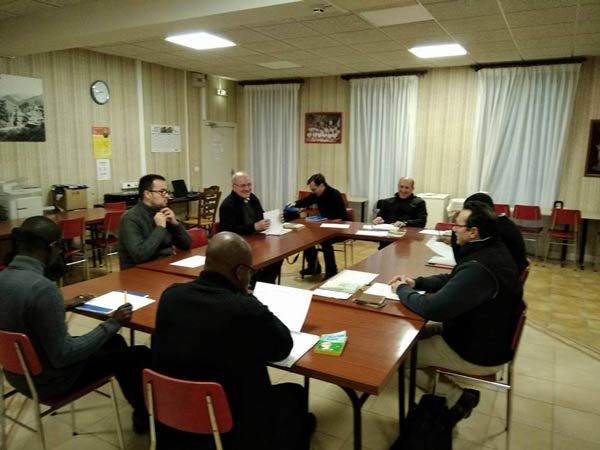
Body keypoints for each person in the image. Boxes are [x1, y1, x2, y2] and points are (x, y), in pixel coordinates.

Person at [152, 231, 315, 450]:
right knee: (295, 395)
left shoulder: (170, 296)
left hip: (176, 417)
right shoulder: (245, 309)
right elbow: (283, 348)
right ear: (240, 272)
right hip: (232, 428)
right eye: (250, 271)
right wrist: (249, 297)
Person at [0, 216, 151, 432]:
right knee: (136, 355)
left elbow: (24, 312)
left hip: (17, 376)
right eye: (60, 247)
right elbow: (64, 355)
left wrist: (64, 305)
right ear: (51, 247)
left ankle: (141, 413)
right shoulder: (43, 289)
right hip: (49, 382)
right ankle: (144, 418)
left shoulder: (5, 278)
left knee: (115, 342)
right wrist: (113, 322)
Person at [389, 202, 524, 424]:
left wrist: (402, 290)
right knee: (409, 337)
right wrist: (417, 282)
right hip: (479, 333)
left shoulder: (480, 266)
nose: (453, 230)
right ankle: (452, 393)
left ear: (473, 232)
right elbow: (455, 279)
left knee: (399, 358)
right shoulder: (490, 249)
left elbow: (434, 309)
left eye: (457, 226)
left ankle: (458, 397)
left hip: (478, 349)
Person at [219, 171, 283, 286]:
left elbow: (262, 215)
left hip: (257, 241)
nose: (247, 189)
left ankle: (264, 285)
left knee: (277, 256)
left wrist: (275, 218)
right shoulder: (227, 205)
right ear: (234, 187)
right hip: (237, 246)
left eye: (249, 185)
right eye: (243, 186)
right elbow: (228, 231)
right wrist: (254, 227)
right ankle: (256, 285)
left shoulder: (252, 198)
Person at [119, 174, 192, 270]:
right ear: (147, 194)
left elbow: (186, 245)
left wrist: (175, 224)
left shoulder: (163, 212)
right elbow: (140, 255)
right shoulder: (130, 218)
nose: (167, 196)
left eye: (167, 192)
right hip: (140, 271)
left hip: (166, 266)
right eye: (162, 192)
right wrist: (160, 228)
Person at [451, 193, 529, 274]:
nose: (455, 228)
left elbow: (460, 260)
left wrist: (457, 230)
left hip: (503, 275)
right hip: (512, 272)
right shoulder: (504, 225)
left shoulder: (494, 231)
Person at [289, 173, 348, 279]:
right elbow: (307, 200)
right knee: (306, 238)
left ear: (321, 185)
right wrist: (295, 203)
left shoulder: (335, 195)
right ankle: (313, 267)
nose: (313, 192)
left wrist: (330, 221)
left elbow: (343, 217)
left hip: (338, 228)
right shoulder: (316, 194)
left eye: (314, 189)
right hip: (323, 226)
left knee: (325, 241)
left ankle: (331, 271)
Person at [374, 177, 427, 249]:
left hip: (409, 240)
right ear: (398, 186)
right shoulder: (387, 202)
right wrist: (378, 220)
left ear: (412, 189)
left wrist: (405, 223)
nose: (403, 190)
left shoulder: (419, 202)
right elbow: (380, 217)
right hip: (387, 240)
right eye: (401, 187)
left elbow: (422, 221)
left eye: (407, 188)